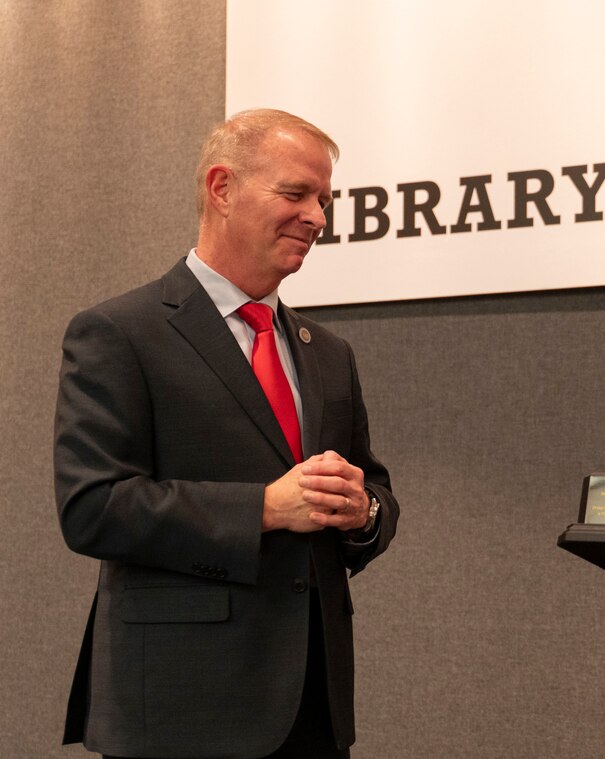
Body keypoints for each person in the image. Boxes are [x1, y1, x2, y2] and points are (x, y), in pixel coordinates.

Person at [54, 109, 399, 758]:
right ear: (222, 188)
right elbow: (93, 507)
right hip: (181, 713)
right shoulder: (119, 332)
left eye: (325, 199)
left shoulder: (328, 351)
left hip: (313, 712)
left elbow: (372, 484)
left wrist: (364, 510)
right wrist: (264, 508)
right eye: (295, 194)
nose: (318, 217)